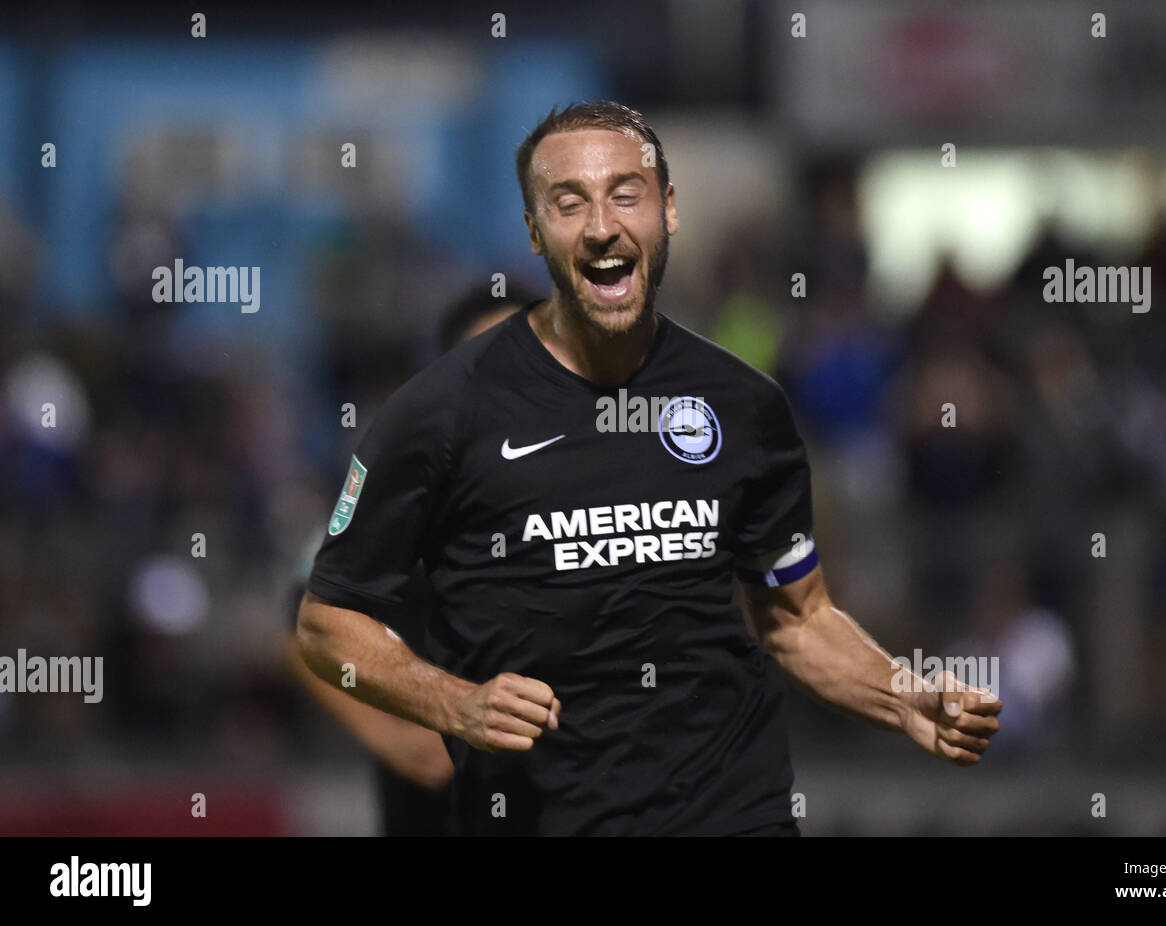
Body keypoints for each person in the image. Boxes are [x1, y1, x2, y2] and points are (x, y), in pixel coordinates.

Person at [296, 101, 1002, 836]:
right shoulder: (440, 412)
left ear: (668, 210)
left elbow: (797, 619)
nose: (602, 226)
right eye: (569, 204)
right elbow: (327, 624)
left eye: (625, 194)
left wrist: (901, 694)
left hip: (732, 815)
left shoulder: (744, 404)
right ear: (535, 233)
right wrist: (453, 702)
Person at [284, 288, 530, 835]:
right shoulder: (403, 484)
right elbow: (306, 620)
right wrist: (402, 731)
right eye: (487, 354)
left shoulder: (599, 480)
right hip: (435, 814)